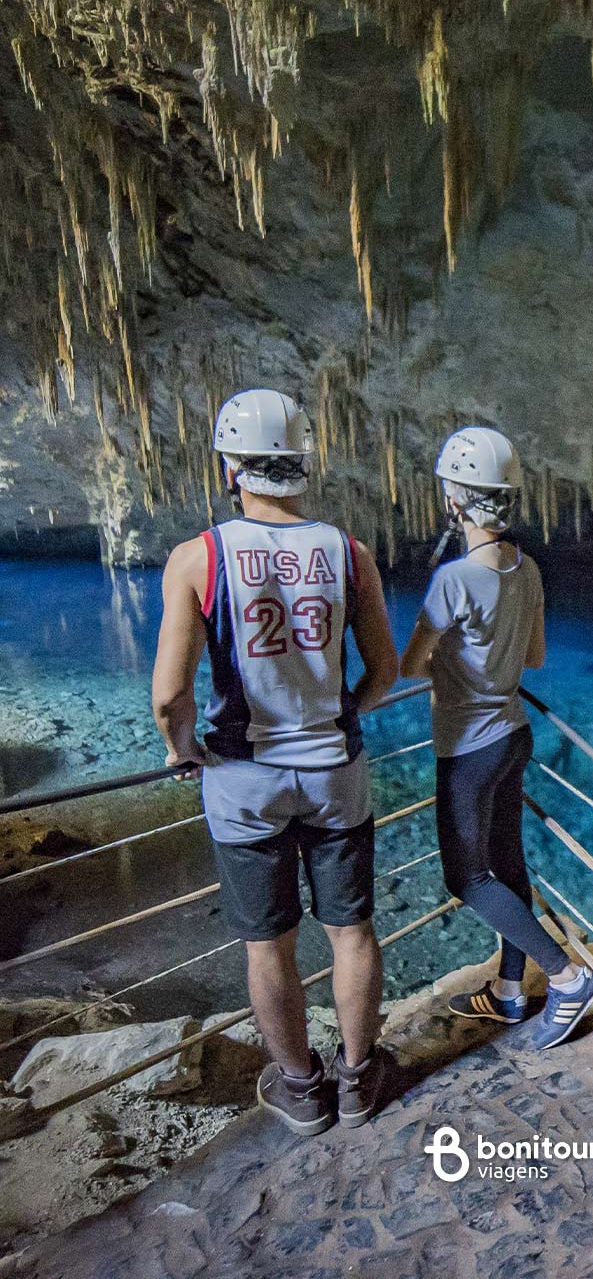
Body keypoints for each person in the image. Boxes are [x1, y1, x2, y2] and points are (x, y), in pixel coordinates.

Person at [152, 388, 398, 1136]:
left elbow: (170, 693)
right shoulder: (348, 553)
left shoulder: (200, 557)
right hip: (333, 768)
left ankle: (301, 1088)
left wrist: (179, 748)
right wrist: (339, 712)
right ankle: (359, 1081)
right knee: (351, 932)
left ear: (232, 467)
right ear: (301, 464)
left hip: (243, 777)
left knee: (269, 944)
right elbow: (385, 670)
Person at [399, 426, 593, 1050]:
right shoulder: (529, 568)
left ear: (455, 501)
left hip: (468, 747)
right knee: (507, 864)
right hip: (514, 734)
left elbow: (409, 665)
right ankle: (510, 993)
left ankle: (568, 978)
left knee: (467, 877)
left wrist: (451, 664)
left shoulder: (454, 580)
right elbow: (533, 656)